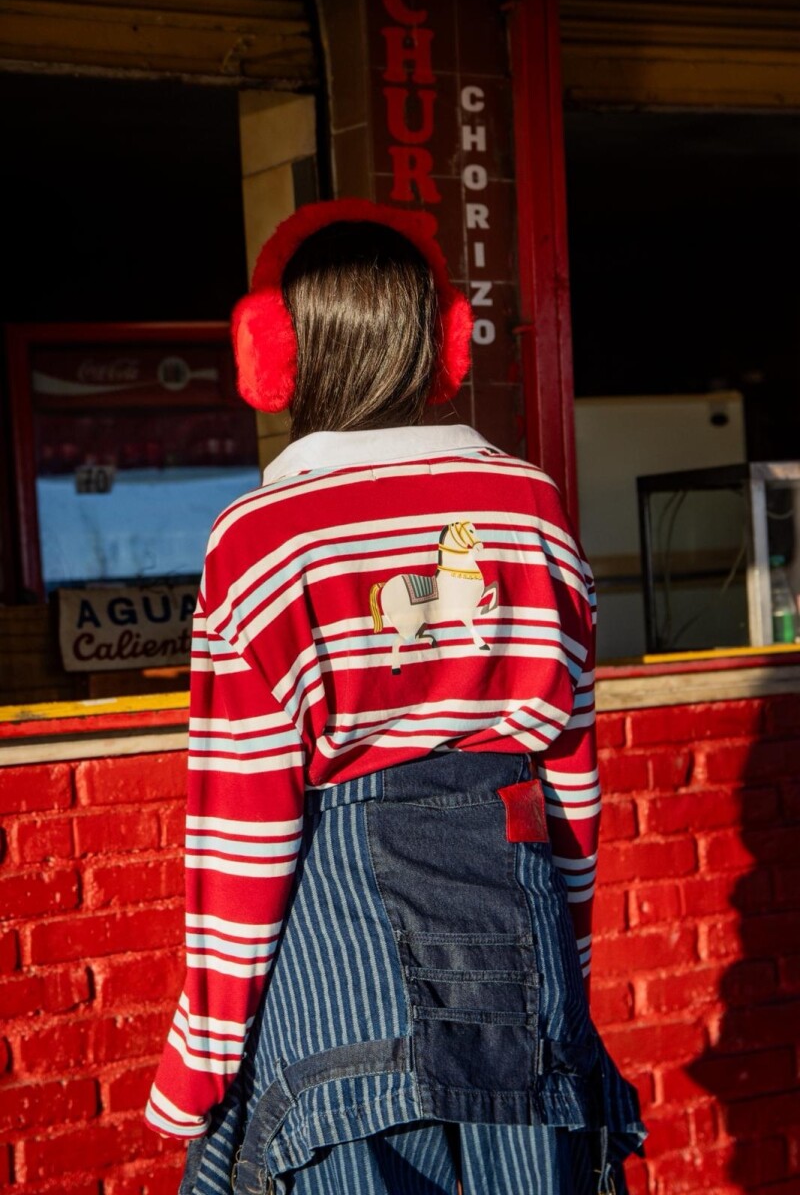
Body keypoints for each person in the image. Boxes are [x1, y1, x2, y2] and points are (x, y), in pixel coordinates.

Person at [145, 199, 646, 1194]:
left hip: (341, 958)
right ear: (440, 344)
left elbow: (243, 820)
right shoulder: (529, 507)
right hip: (520, 927)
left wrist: (202, 1051)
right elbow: (572, 791)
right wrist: (567, 965)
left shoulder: (259, 537)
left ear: (278, 355)